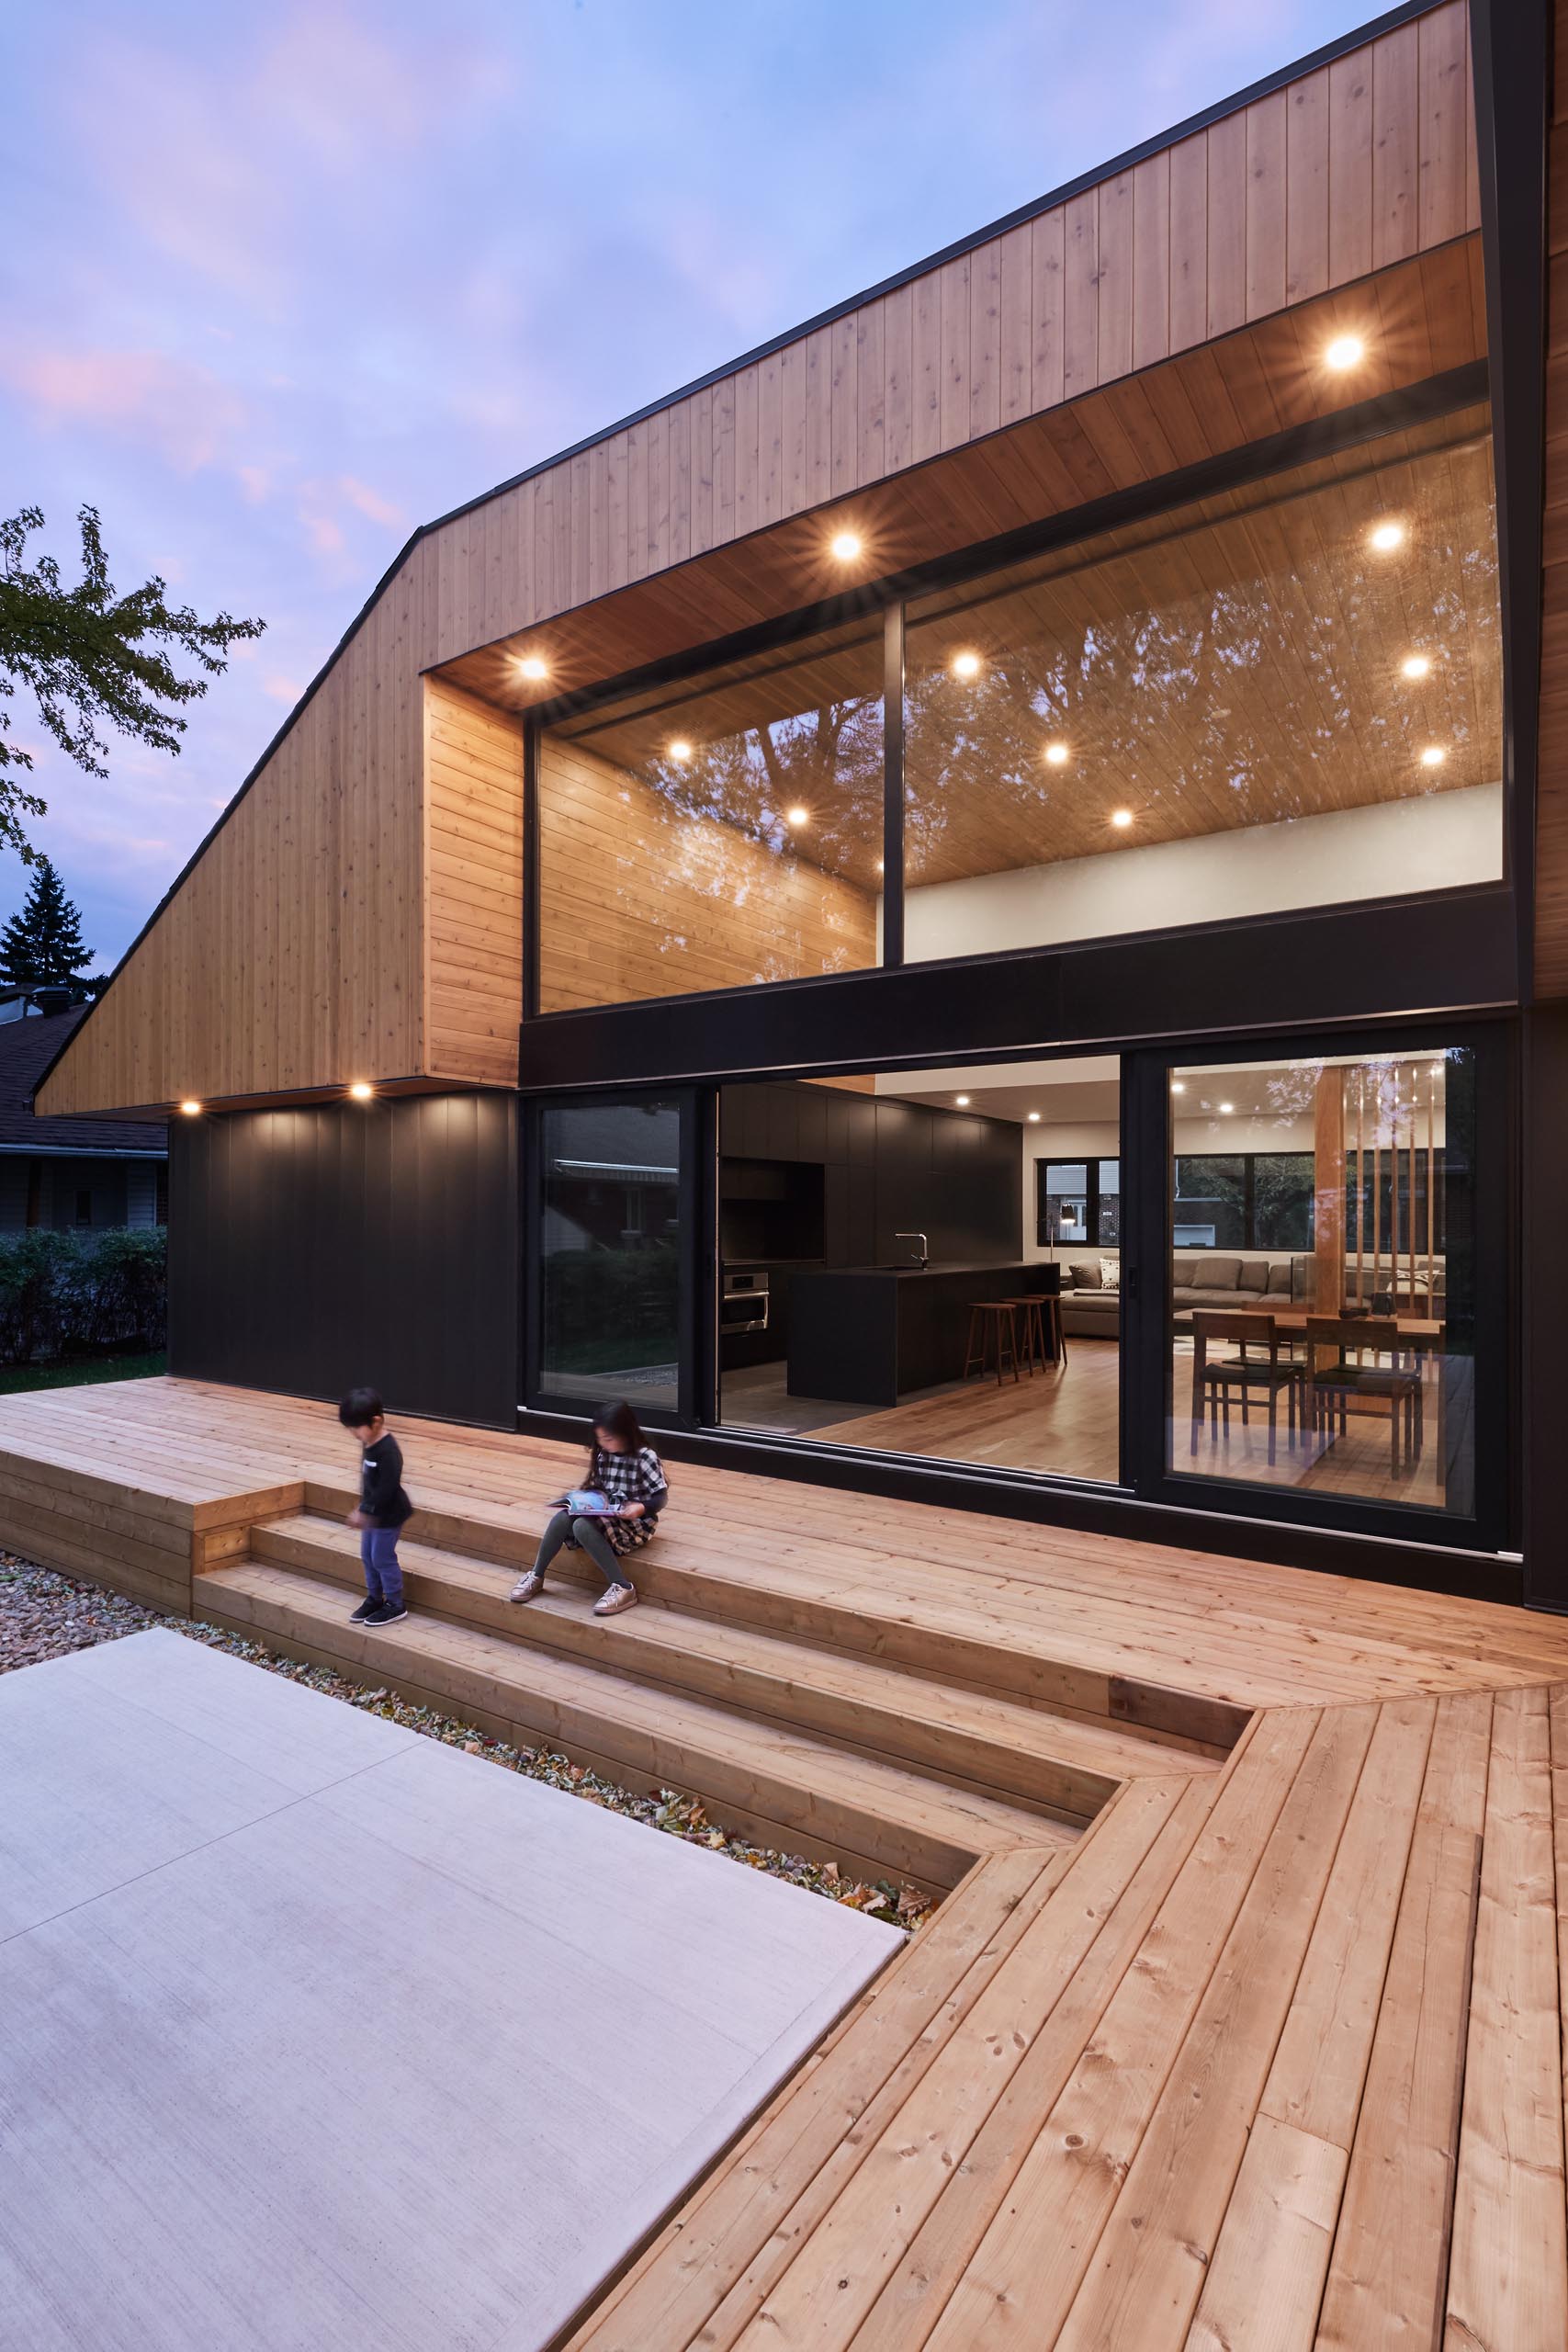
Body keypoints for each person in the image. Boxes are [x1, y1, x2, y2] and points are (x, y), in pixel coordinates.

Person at [510, 1399, 666, 1617]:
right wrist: (580, 1500)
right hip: (609, 1514)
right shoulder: (604, 1455)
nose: (603, 1444)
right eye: (600, 1439)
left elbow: (660, 1498)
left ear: (626, 1433)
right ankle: (536, 1575)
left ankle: (623, 1586)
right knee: (564, 1517)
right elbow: (600, 1489)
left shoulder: (644, 1457)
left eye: (609, 1439)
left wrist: (641, 1507)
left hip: (635, 1523)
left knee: (582, 1526)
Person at [339, 1385, 413, 1627]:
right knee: (367, 1556)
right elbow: (369, 1482)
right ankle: (374, 1598)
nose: (354, 1434)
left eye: (356, 1429)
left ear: (377, 1421)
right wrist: (364, 1506)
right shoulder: (368, 1441)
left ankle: (395, 1603)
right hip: (372, 1513)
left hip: (389, 1515)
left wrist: (364, 1510)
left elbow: (387, 1488)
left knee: (382, 1558)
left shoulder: (388, 1450)